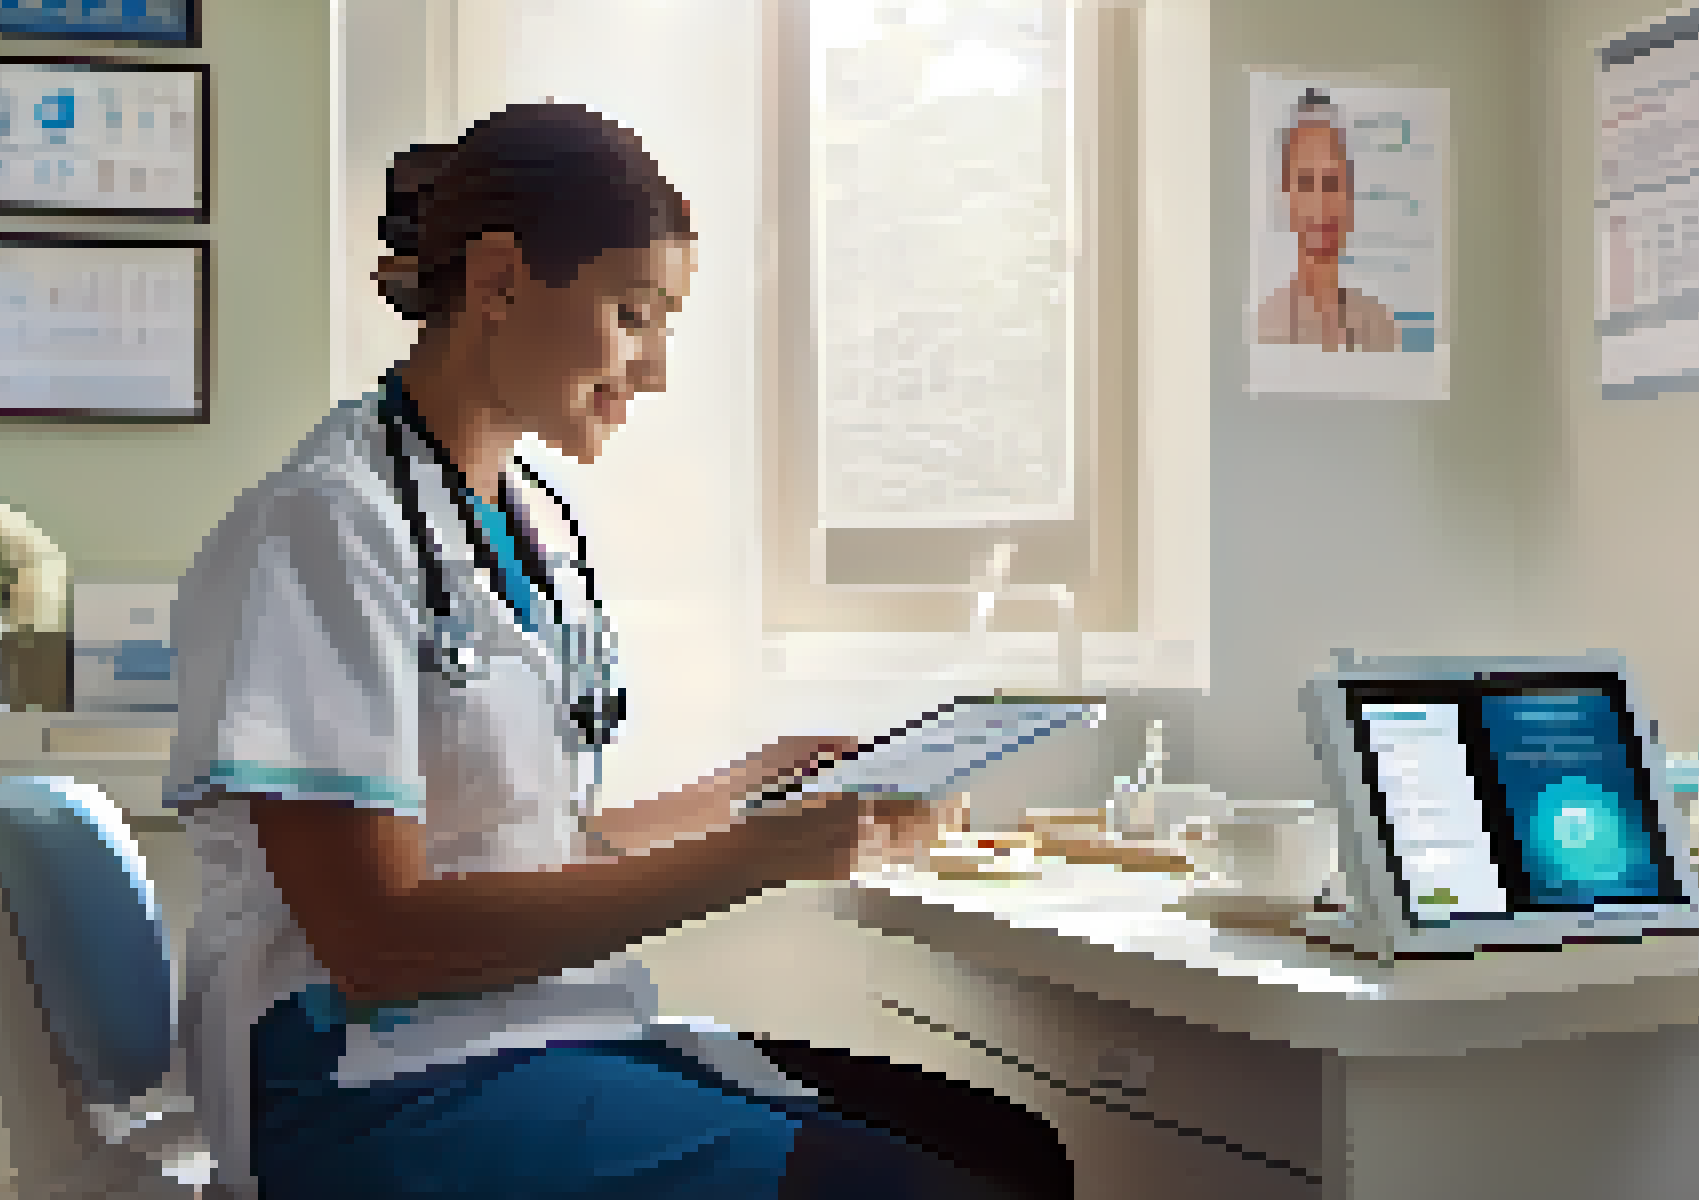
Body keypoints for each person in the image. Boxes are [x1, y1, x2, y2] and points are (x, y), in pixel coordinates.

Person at [165, 103, 1069, 1200]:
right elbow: (379, 940)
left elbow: (529, 845)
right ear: (499, 282)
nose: (656, 369)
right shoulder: (328, 524)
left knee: (1011, 1152)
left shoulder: (521, 521)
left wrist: (750, 793)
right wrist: (762, 857)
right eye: (634, 313)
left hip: (519, 1031)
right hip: (368, 1085)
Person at [1252, 88, 1401, 352]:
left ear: (1350, 195)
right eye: (1307, 182)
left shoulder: (1382, 327)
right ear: (1287, 195)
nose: (1322, 202)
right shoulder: (1265, 329)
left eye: (1332, 182)